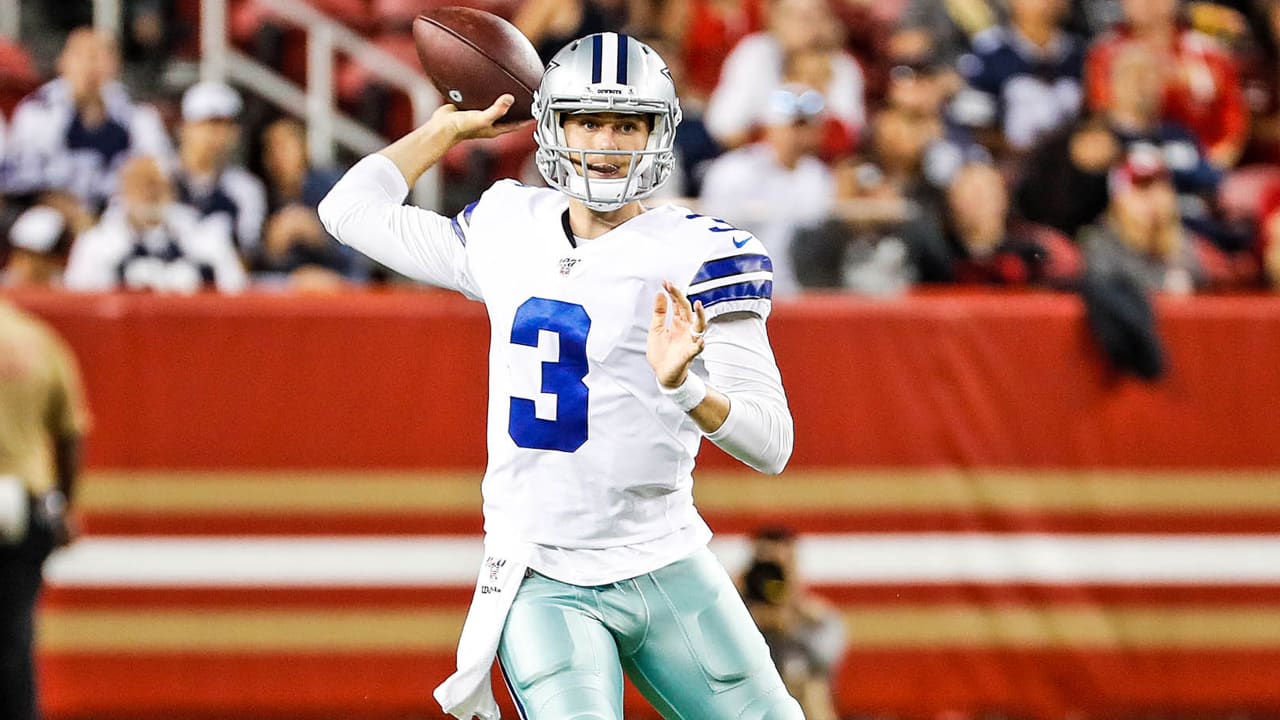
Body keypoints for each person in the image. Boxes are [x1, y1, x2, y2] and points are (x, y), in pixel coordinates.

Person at [318, 32, 802, 720]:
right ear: (553, 125)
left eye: (627, 124)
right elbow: (347, 211)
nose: (606, 141)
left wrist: (686, 389)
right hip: (543, 572)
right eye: (588, 120)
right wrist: (441, 131)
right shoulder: (507, 224)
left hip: (666, 557)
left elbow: (773, 444)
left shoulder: (702, 253)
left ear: (656, 134)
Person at [0, 298, 89, 720]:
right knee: (13, 637)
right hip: (23, 502)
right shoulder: (37, 338)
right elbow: (72, 433)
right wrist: (67, 506)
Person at [2, 28, 173, 220]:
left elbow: (159, 170)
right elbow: (21, 182)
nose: (89, 66)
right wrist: (72, 212)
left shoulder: (138, 113)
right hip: (53, 210)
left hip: (119, 211)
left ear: (116, 64)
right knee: (39, 228)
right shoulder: (38, 110)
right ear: (62, 62)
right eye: (80, 56)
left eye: (99, 56)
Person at [699, 85, 835, 295]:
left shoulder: (818, 176)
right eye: (794, 126)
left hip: (798, 294)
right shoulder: (732, 170)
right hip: (739, 292)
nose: (801, 135)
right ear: (770, 126)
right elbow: (712, 241)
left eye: (807, 126)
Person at [64, 156, 247, 293]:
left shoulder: (206, 238)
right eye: (140, 184)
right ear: (123, 190)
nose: (149, 193)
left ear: (172, 191)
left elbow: (235, 294)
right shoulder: (94, 244)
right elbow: (79, 304)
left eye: (157, 185)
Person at [739, 527, 845, 720]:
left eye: (781, 566)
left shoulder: (816, 618)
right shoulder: (734, 614)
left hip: (801, 702)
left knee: (809, 688)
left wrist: (791, 621)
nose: (772, 577)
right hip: (746, 703)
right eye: (766, 566)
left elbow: (824, 660)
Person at [174, 81, 268, 257]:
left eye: (226, 126)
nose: (218, 135)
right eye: (209, 124)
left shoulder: (246, 188)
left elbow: (246, 254)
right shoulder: (157, 176)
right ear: (184, 127)